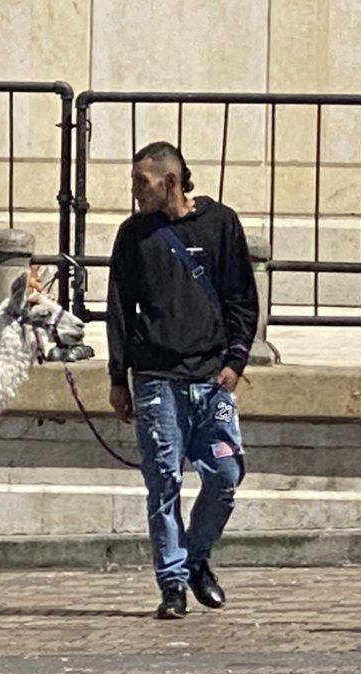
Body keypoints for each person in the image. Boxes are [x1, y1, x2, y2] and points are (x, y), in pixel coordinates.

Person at [106, 141, 259, 620]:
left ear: (170, 181)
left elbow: (241, 296)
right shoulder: (134, 235)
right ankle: (171, 583)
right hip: (156, 379)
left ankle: (196, 558)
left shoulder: (220, 224)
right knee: (164, 482)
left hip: (212, 379)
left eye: (142, 182)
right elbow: (119, 309)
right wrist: (118, 377)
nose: (136, 191)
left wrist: (236, 361)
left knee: (225, 475)